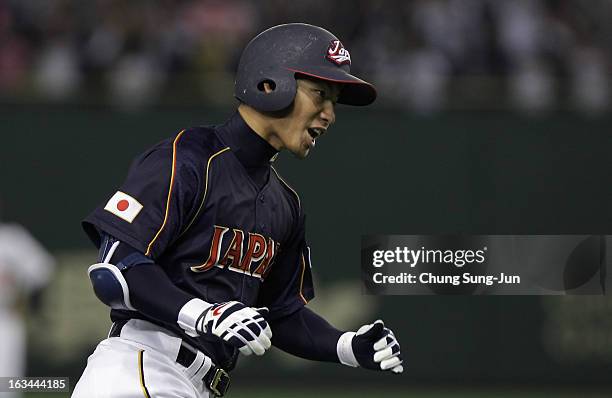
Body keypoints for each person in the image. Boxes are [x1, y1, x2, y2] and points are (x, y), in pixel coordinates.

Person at [72, 23, 402, 398]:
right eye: (320, 94)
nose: (329, 114)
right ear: (269, 84)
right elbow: (116, 268)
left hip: (194, 384)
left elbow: (280, 313)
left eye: (333, 101)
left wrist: (348, 347)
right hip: (142, 369)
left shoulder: (285, 205)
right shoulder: (188, 157)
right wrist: (205, 314)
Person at [0, 197, 55, 398]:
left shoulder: (10, 238)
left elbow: (42, 269)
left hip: (4, 321)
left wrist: (32, 306)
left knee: (5, 386)